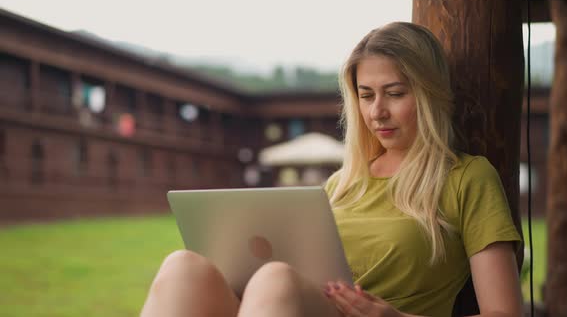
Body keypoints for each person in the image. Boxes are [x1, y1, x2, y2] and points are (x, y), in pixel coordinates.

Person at [140, 22, 524, 317]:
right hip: (290, 306)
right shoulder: (342, 184)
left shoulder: (468, 178)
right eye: (366, 95)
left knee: (276, 279)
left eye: (395, 93)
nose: (377, 112)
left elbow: (505, 313)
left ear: (429, 94)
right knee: (183, 267)